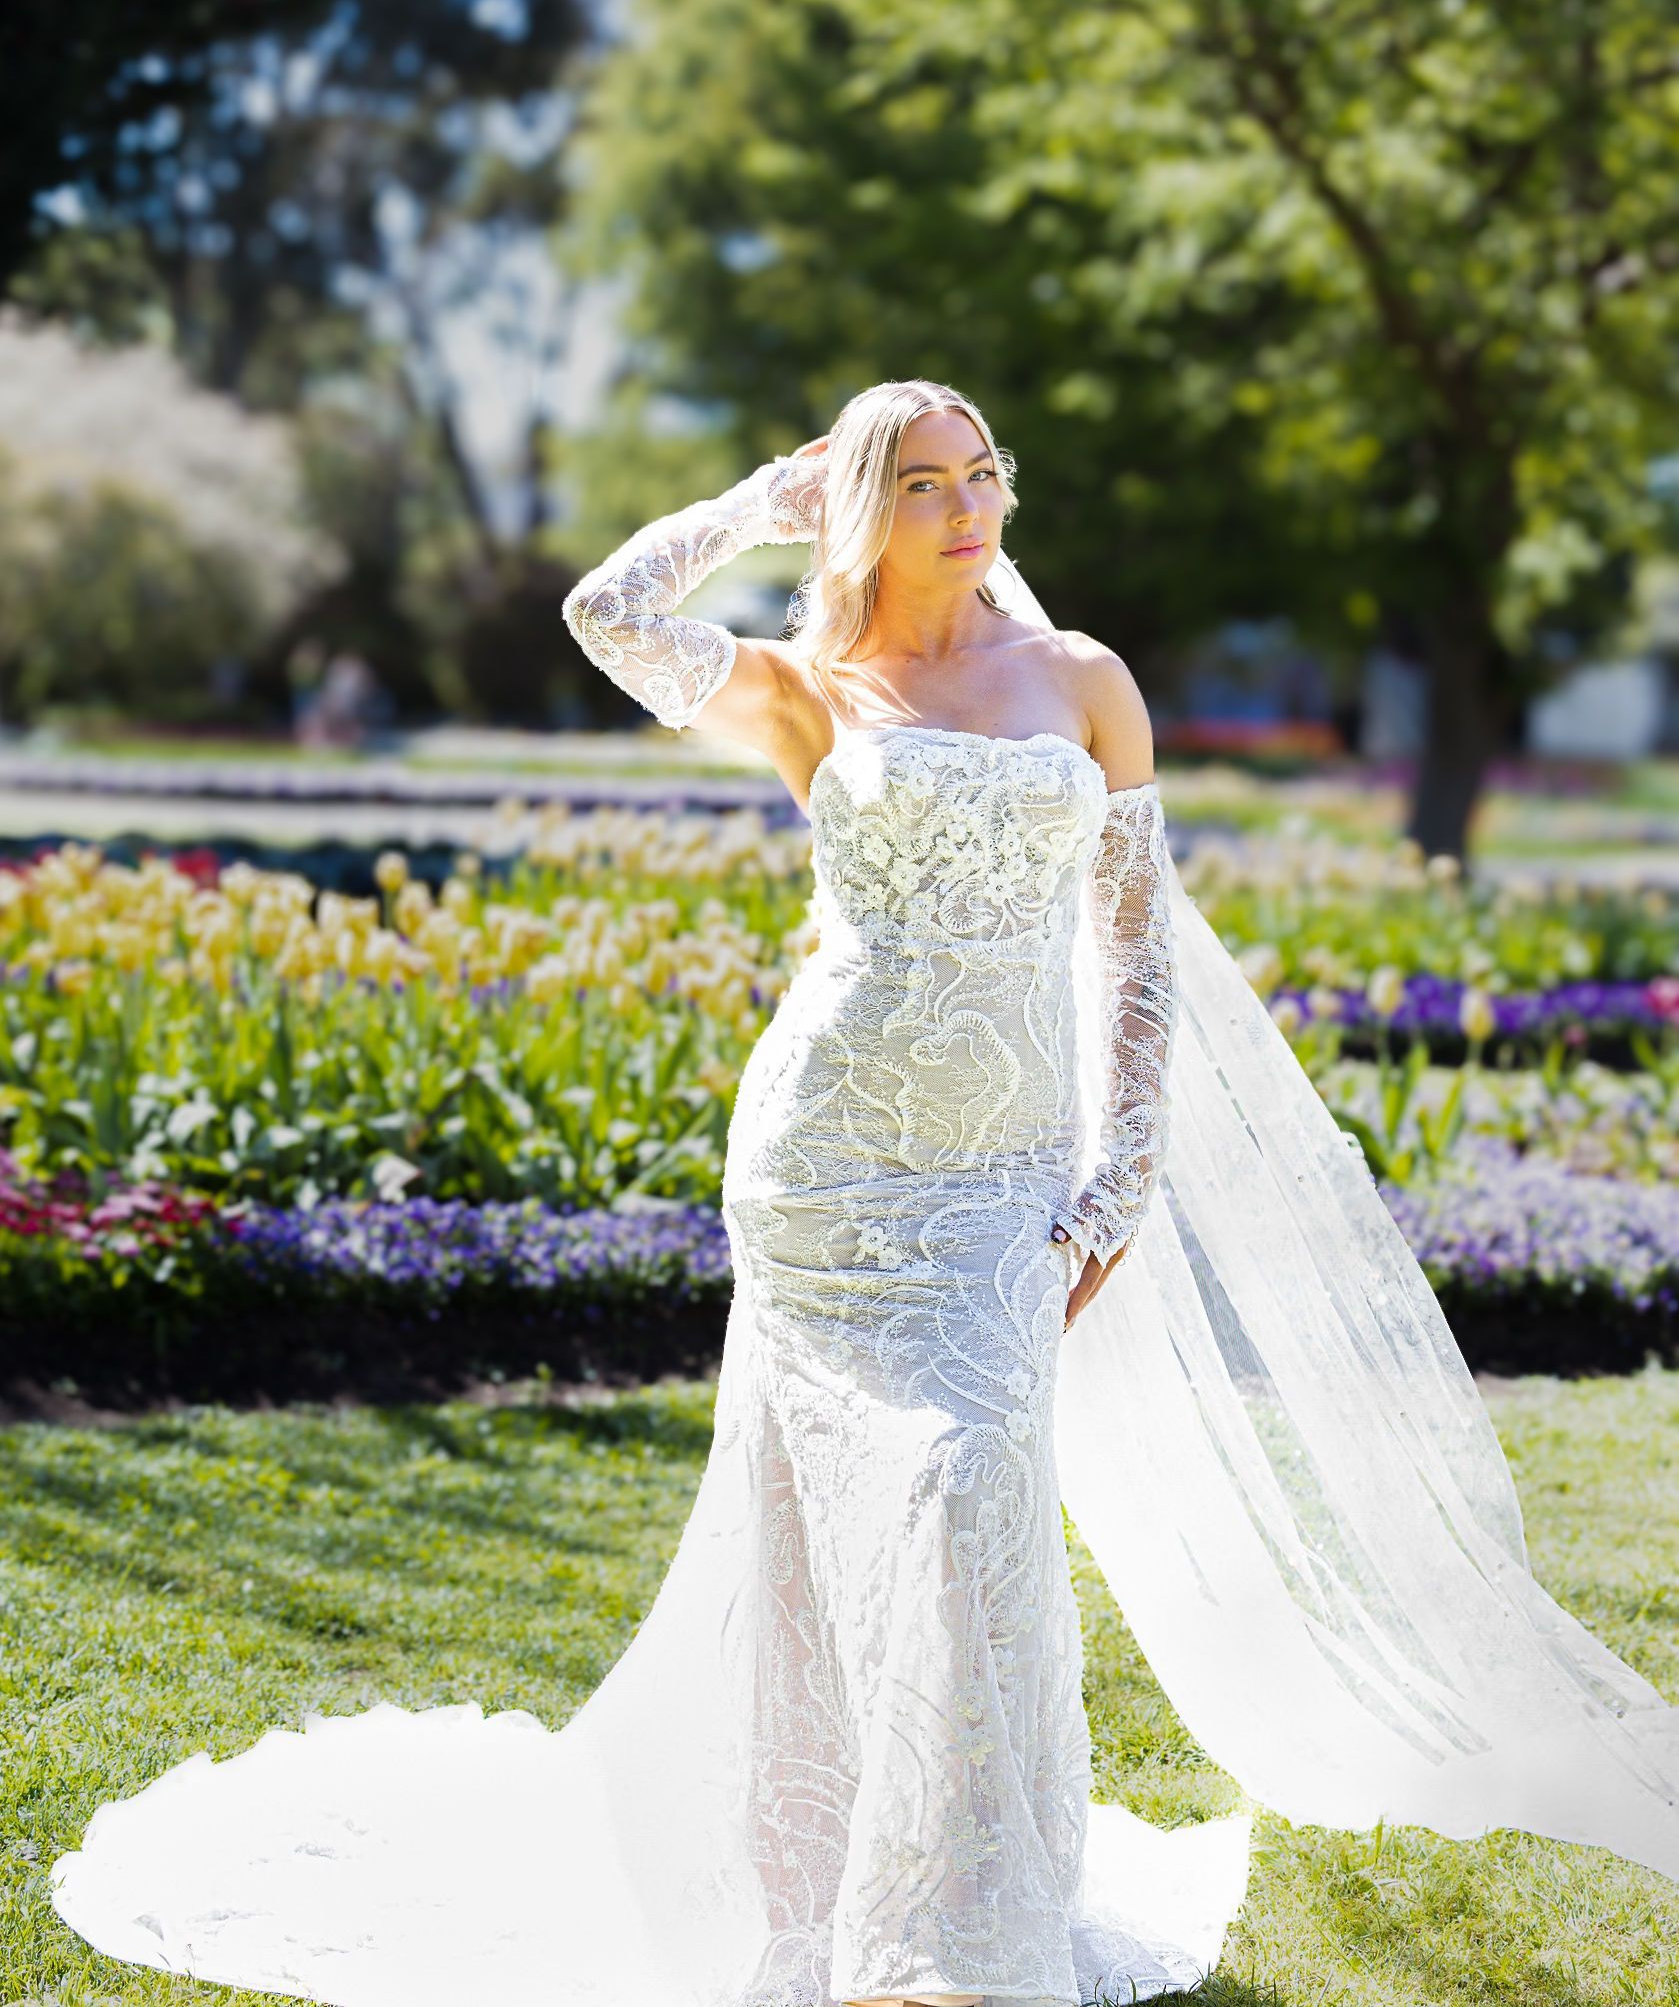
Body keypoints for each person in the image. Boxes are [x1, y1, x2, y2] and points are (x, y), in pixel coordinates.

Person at [50, 381, 1679, 2007]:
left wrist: (1116, 1182)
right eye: (920, 485)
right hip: (824, 1167)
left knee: (968, 1502)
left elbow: (1133, 947)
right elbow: (602, 610)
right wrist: (756, 504)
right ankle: (841, 1918)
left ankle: (956, 1930)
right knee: (828, 1547)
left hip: (1000, 1178)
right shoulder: (803, 689)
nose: (969, 511)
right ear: (857, 507)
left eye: (985, 476)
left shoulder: (1085, 682)